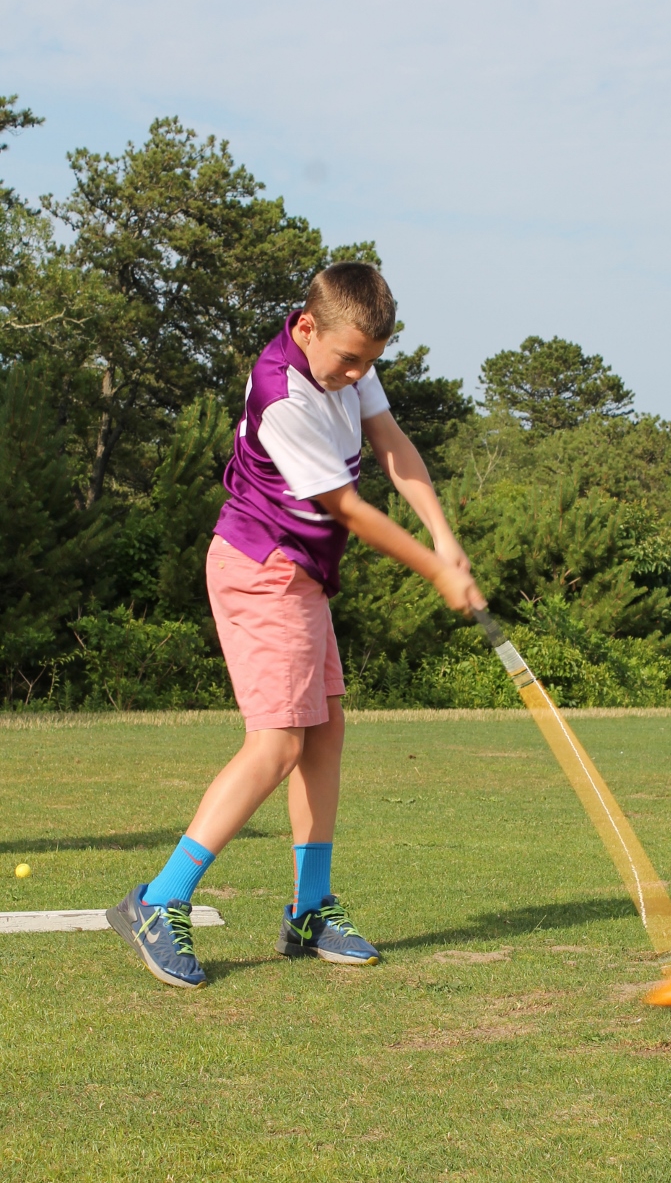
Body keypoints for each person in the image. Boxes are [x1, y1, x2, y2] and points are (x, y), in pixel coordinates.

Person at [106, 262, 484, 988]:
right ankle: (159, 901)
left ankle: (309, 912)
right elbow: (347, 510)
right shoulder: (286, 393)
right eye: (349, 359)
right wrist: (434, 573)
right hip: (259, 567)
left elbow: (393, 445)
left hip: (302, 577)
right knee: (277, 743)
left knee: (326, 731)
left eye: (370, 363)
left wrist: (443, 536)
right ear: (307, 326)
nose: (357, 374)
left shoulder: (345, 358)